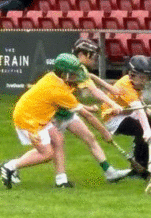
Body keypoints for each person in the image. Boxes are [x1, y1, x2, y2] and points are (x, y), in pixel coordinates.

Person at [18, 38, 130, 184]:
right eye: (92, 55)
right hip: (54, 114)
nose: (95, 59)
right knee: (54, 147)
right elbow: (92, 97)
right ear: (82, 55)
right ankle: (15, 167)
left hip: (67, 110)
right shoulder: (70, 69)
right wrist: (106, 120)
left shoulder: (77, 69)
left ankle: (109, 173)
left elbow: (90, 79)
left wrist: (110, 89)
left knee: (88, 137)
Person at [1, 54, 87, 188]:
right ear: (64, 74)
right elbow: (82, 111)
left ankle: (61, 180)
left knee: (58, 139)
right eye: (73, 73)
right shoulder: (59, 91)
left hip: (36, 115)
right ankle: (9, 166)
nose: (76, 75)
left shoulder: (53, 77)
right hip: (28, 119)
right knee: (46, 154)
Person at [100, 55, 151, 179]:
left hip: (127, 112)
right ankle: (137, 169)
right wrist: (146, 130)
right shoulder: (125, 84)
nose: (144, 81)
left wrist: (146, 108)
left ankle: (142, 164)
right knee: (142, 130)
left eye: (146, 78)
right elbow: (138, 109)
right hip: (113, 118)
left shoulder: (135, 83)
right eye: (141, 77)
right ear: (131, 74)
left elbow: (138, 102)